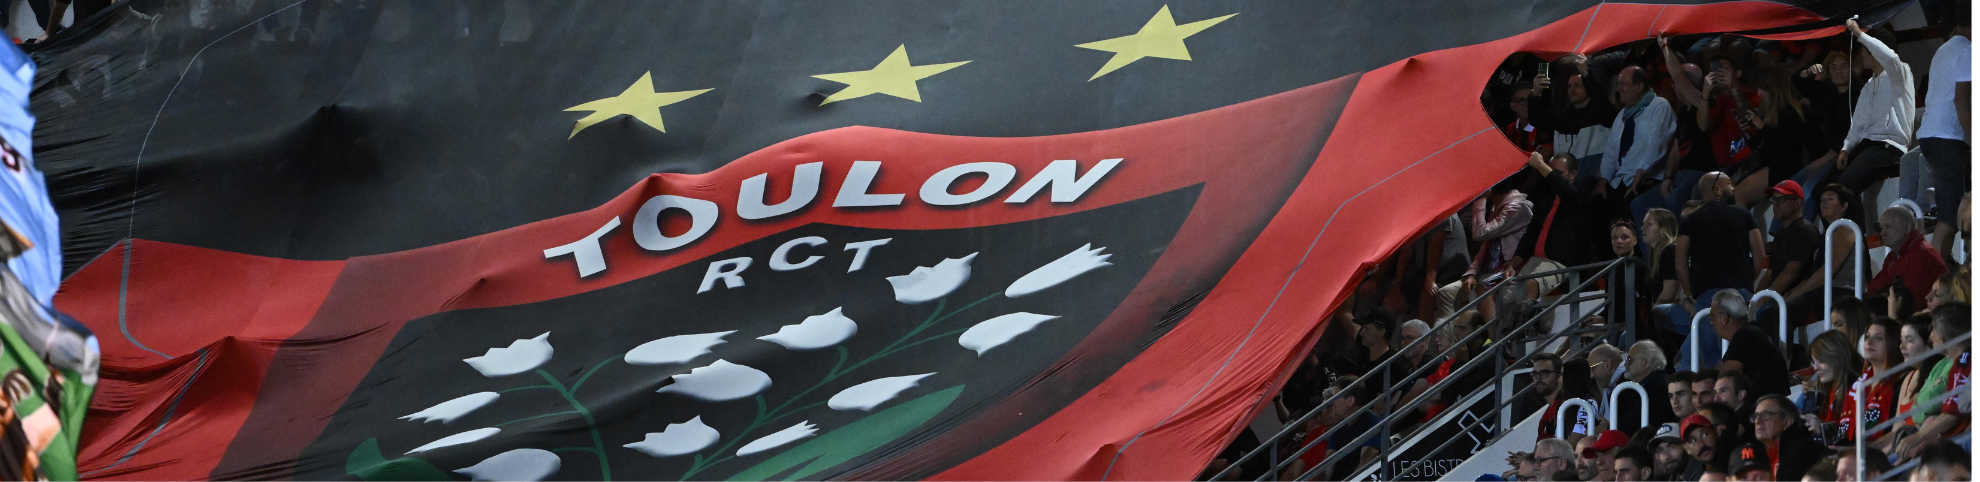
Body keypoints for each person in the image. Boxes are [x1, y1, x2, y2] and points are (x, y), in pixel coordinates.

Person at [1677, 172, 1767, 366]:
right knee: (1743, 349)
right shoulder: (1744, 215)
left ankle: (1720, 383)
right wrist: (1748, 282)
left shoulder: (1690, 221)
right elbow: (1760, 256)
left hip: (1707, 297)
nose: (1733, 188)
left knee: (1711, 353)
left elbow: (1680, 261)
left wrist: (1690, 292)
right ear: (1717, 189)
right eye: (1729, 184)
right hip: (1740, 295)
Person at [1830, 21, 1914, 197]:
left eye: (1864, 49)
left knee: (1844, 187)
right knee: (1824, 188)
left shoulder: (1900, 73)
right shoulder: (1869, 84)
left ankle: (1851, 217)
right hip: (1868, 146)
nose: (1862, 54)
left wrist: (1860, 34)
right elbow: (1859, 121)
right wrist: (1846, 148)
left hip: (1889, 148)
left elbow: (1890, 58)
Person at [1919, 7, 1971, 267]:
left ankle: (1942, 265)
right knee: (1949, 219)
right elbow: (1962, 101)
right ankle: (1935, 277)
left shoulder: (1945, 49)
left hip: (1932, 135)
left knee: (1949, 214)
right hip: (1947, 137)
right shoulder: (1967, 51)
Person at [1439, 186, 1534, 320]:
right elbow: (1485, 245)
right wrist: (1472, 272)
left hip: (1508, 269)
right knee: (1446, 293)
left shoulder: (1518, 207)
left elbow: (1479, 233)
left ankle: (1488, 334)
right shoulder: (1497, 207)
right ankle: (1455, 333)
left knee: (1483, 287)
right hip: (1487, 270)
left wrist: (1480, 200)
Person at [1599, 66, 1678, 222]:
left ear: (1639, 86)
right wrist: (1603, 181)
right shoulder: (1622, 115)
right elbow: (1611, 151)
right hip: (1621, 179)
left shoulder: (1659, 106)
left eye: (1623, 84)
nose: (1618, 88)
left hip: (1647, 179)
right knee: (1597, 205)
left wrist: (1641, 170)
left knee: (1629, 207)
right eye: (1618, 84)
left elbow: (1656, 145)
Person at [1785, 184, 1867, 325]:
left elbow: (1828, 270)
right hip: (1826, 290)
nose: (1824, 203)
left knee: (1780, 312)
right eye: (1822, 200)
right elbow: (1814, 273)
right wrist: (1793, 292)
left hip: (1842, 292)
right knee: (1776, 308)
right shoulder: (1828, 234)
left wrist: (1798, 293)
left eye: (1830, 199)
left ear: (1844, 206)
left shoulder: (1846, 228)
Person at [1895, 304, 1970, 460]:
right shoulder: (1959, 361)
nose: (1930, 337)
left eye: (1933, 330)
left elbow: (1953, 413)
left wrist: (1918, 437)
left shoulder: (1965, 361)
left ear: (1943, 338)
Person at [1710, 290, 1792, 403]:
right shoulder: (1752, 332)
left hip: (1765, 407)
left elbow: (1725, 376)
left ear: (1724, 317)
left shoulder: (1745, 335)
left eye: (1712, 316)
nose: (1711, 322)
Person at [1757, 181, 1820, 325]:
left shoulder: (1804, 231)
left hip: (1797, 295)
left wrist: (1764, 299)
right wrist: (1755, 299)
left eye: (1782, 199)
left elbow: (1791, 272)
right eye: (1774, 199)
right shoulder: (1782, 233)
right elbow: (1770, 273)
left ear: (1797, 203)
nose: (1776, 204)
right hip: (1781, 296)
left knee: (1766, 314)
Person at [1865, 206, 1946, 315]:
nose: (1882, 233)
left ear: (1907, 227)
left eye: (1888, 227)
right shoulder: (1894, 256)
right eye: (1881, 228)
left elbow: (1908, 302)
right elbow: (1874, 289)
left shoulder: (1922, 255)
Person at [1836, 318, 1901, 445]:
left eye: (1878, 338)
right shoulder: (1858, 384)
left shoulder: (1900, 383)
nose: (1869, 342)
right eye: (1867, 337)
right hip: (1853, 448)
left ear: (1894, 343)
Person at [1795, 331, 1860, 444]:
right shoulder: (1828, 388)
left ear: (1837, 357)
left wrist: (1822, 427)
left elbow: (1853, 436)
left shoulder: (1857, 389)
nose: (1815, 367)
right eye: (1814, 361)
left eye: (1821, 361)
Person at [1751, 395, 1825, 481]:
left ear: (1787, 421)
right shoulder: (1758, 457)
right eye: (1756, 416)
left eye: (1765, 415)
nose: (1758, 421)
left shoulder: (1803, 452)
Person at [1622, 340, 1679, 432]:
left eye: (1629, 360)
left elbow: (1635, 425)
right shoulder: (1649, 384)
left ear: (1645, 363)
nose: (1625, 364)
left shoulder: (1657, 388)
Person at [1681, 414, 1722, 480]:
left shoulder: (1736, 458)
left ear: (1716, 432)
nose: (1701, 444)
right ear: (1687, 449)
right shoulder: (1695, 477)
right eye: (1693, 440)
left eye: (1704, 434)